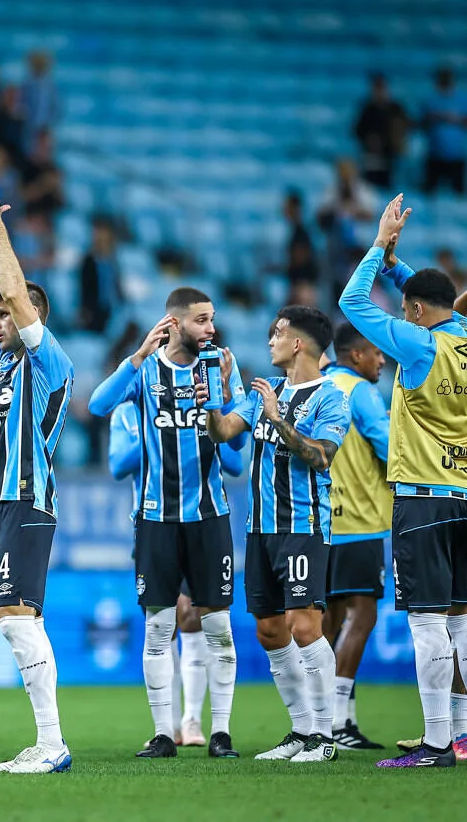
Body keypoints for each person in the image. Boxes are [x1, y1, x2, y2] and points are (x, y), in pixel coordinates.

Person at [339, 194, 467, 768]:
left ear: (411, 312)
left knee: (427, 623)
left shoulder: (417, 342)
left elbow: (350, 301)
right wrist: (402, 270)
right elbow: (440, 304)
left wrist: (381, 245)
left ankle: (436, 742)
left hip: (422, 500)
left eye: (408, 308)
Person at [88, 288, 247, 759]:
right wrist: (137, 356)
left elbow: (236, 447)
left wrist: (218, 411)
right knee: (158, 630)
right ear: (173, 324)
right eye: (201, 320)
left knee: (217, 628)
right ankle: (163, 733)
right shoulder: (147, 370)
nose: (210, 329)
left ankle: (219, 733)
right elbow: (98, 405)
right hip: (155, 519)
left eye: (212, 319)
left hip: (209, 517)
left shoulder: (222, 364)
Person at [0, 179, 74, 774]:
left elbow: (4, 290)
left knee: (15, 616)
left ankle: (52, 744)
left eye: (8, 314)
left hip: (24, 501)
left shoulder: (49, 359)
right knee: (16, 620)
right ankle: (46, 741)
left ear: (32, 317)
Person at [205, 306, 349, 764]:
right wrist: (216, 391)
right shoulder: (264, 391)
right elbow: (225, 432)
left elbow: (321, 456)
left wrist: (278, 420)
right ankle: (301, 728)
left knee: (305, 626)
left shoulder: (330, 396)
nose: (270, 340)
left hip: (303, 526)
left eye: (278, 333)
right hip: (260, 529)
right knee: (270, 631)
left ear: (299, 343)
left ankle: (326, 736)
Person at [107, 400, 244, 751]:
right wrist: (158, 432)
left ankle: (192, 720)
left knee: (193, 616)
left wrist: (210, 424)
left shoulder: (204, 404)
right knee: (161, 628)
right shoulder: (127, 412)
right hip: (153, 524)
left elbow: (234, 461)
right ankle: (167, 726)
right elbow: (118, 466)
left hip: (200, 524)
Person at [320, 324, 390, 750]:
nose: (382, 361)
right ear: (356, 354)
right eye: (376, 354)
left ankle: (323, 716)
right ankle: (339, 721)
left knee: (328, 622)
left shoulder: (322, 385)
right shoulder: (362, 393)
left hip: (324, 523)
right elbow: (390, 448)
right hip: (359, 521)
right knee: (362, 616)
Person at [420, 67, 467, 196]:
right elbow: (422, 123)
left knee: (460, 195)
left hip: (457, 155)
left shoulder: (463, 99)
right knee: (429, 194)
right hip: (435, 154)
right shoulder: (431, 100)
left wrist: (457, 119)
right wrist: (437, 117)